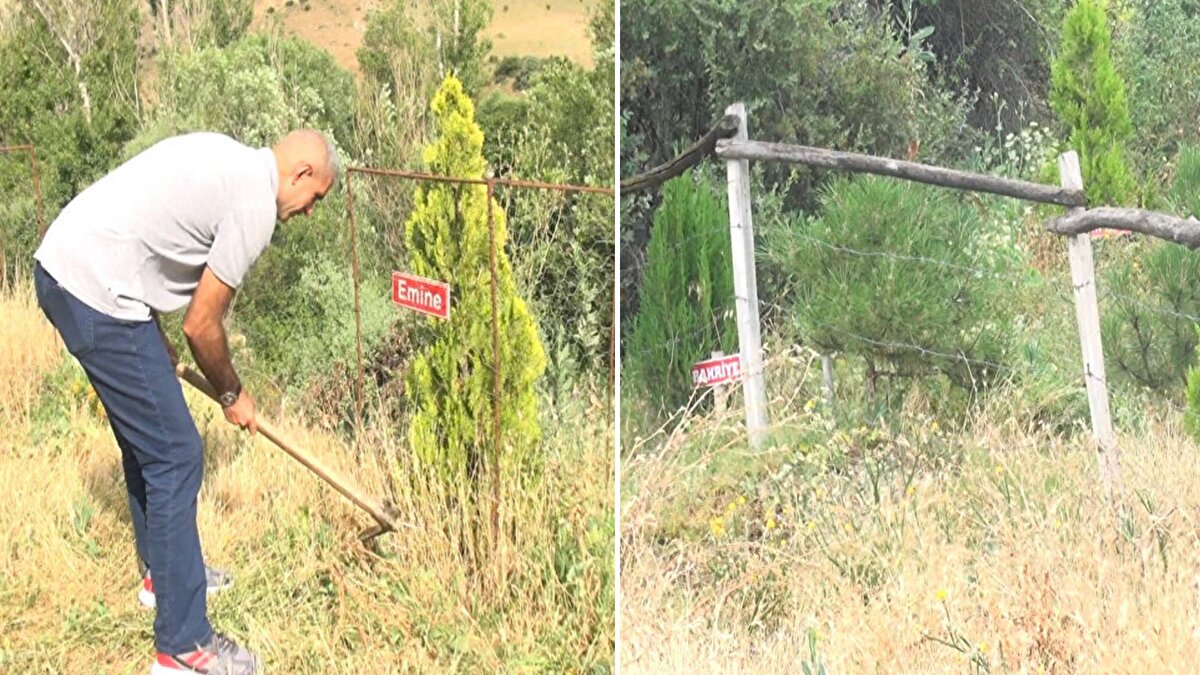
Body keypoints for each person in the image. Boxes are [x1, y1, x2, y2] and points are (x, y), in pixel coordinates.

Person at [32, 129, 338, 675]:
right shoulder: (254, 205)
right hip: (95, 288)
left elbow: (145, 225)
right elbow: (202, 325)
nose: (311, 211)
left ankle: (165, 577)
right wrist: (232, 394)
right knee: (177, 454)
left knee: (149, 441)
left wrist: (148, 330)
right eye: (316, 199)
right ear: (301, 174)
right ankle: (183, 647)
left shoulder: (230, 158)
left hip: (65, 269)